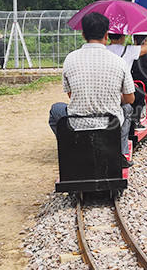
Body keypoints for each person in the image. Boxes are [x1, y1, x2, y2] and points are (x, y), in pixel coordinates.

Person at [48, 12, 135, 165]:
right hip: (111, 125)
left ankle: (71, 149)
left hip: (77, 124)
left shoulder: (70, 59)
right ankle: (120, 154)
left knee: (56, 109)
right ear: (106, 35)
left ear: (83, 35)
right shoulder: (119, 62)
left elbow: (72, 95)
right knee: (127, 109)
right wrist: (114, 97)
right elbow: (130, 98)